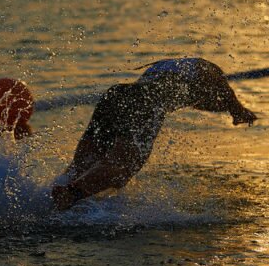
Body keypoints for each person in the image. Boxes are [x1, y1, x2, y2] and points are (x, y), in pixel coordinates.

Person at [51, 58, 257, 210]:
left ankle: (51, 195)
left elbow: (202, 101)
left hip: (116, 96)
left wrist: (229, 109)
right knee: (123, 167)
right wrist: (238, 110)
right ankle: (70, 194)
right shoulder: (211, 71)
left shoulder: (173, 68)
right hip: (145, 104)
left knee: (84, 163)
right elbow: (222, 89)